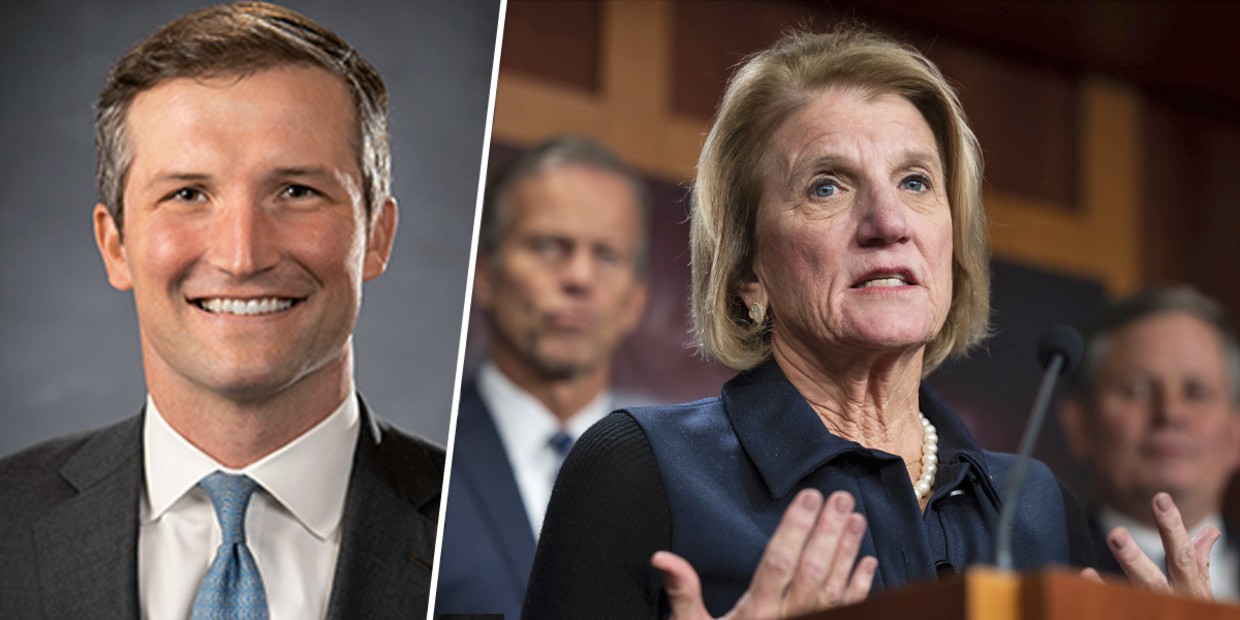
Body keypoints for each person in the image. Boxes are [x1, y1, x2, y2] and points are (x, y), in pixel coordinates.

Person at [522, 28, 1218, 619]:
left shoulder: (1032, 509)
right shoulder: (642, 471)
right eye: (827, 186)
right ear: (748, 270)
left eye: (916, 181)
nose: (888, 223)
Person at [0, 3, 444, 618]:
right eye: (187, 194)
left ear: (377, 235)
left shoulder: (486, 531)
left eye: (296, 191)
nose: (242, 256)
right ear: (116, 245)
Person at [435, 135, 650, 618]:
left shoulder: (684, 478)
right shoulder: (425, 458)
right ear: (486, 274)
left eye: (607, 255)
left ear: (636, 301)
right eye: (550, 246)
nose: (579, 277)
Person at [1060, 286, 1240, 600]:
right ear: (1080, 427)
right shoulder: (1039, 575)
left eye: (1196, 392)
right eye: (1138, 390)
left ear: (1236, 433)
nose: (1170, 412)